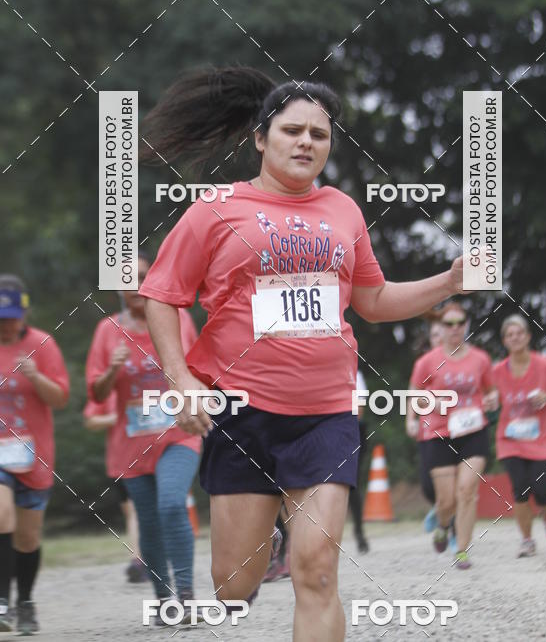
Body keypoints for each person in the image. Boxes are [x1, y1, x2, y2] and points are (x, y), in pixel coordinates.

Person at [137, 65, 465, 641]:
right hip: (242, 412)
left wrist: (449, 281)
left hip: (325, 414)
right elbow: (162, 295)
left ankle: (301, 534)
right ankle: (272, 533)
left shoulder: (342, 210)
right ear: (260, 139)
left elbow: (374, 299)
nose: (306, 142)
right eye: (292, 131)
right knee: (234, 586)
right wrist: (182, 379)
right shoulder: (216, 209)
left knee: (317, 573)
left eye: (319, 134)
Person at [85, 252, 200, 621]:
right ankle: (164, 599)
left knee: (171, 504)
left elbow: (199, 367)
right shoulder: (107, 331)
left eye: (143, 276)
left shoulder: (178, 319)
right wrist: (111, 370)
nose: (136, 285)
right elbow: (97, 395)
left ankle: (185, 593)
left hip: (178, 434)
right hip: (131, 446)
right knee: (148, 523)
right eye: (128, 279)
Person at [0, 275, 69, 635]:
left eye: (11, 316)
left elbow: (60, 399)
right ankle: (1, 602)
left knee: (27, 538)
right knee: (0, 515)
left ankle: (24, 601)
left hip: (33, 455)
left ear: (24, 312)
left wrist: (36, 376)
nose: (6, 324)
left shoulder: (42, 344)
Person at [410, 301, 495, 569]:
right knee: (446, 500)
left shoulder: (481, 359)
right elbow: (413, 396)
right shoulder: (427, 362)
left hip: (473, 430)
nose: (455, 328)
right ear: (441, 328)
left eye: (460, 323)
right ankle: (443, 525)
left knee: (467, 490)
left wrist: (492, 400)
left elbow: (491, 390)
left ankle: (462, 550)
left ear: (466, 325)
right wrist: (427, 406)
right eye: (449, 324)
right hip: (438, 433)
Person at [492, 313, 546, 557]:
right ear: (505, 341)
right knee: (520, 490)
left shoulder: (545, 365)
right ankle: (527, 541)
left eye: (519, 333)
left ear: (527, 337)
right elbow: (487, 397)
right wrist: (489, 401)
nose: (515, 338)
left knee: (542, 491)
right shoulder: (496, 372)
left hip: (541, 440)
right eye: (509, 335)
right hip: (510, 440)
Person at [83, 390, 146, 582]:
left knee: (146, 511)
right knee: (133, 512)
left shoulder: (156, 382)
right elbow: (91, 420)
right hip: (122, 461)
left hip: (156, 457)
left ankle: (142, 560)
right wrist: (117, 416)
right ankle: (139, 561)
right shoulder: (110, 389)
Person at [407, 315, 458, 549]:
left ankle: (452, 529)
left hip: (459, 430)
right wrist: (411, 419)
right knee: (429, 487)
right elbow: (414, 392)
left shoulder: (461, 360)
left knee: (458, 484)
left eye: (442, 332)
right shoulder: (426, 363)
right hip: (430, 431)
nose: (440, 338)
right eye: (435, 334)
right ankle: (441, 509)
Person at [347, 368, 369, 553]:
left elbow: (360, 409)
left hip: (351, 430)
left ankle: (359, 531)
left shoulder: (355, 374)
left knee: (353, 484)